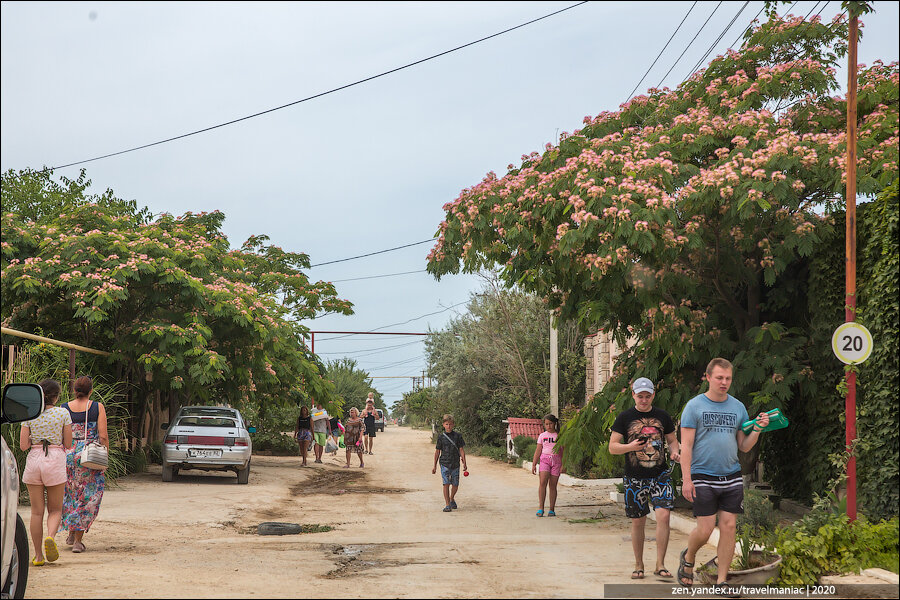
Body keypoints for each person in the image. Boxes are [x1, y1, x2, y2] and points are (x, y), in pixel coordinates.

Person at [678, 358, 770, 589]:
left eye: (728, 378)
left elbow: (744, 446)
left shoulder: (738, 407)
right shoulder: (694, 406)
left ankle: (722, 581)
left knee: (729, 528)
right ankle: (689, 557)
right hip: (702, 476)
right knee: (706, 529)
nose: (724, 382)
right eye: (719, 377)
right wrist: (686, 479)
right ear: (708, 378)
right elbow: (686, 446)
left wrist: (757, 429)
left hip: (731, 476)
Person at [609, 377, 680, 580]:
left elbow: (673, 441)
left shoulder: (663, 417)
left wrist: (675, 451)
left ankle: (660, 564)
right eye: (640, 396)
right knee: (638, 521)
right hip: (634, 478)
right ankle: (639, 564)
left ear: (653, 395)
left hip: (661, 475)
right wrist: (631, 447)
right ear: (633, 395)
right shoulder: (624, 417)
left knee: (664, 516)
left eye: (647, 396)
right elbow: (612, 447)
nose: (644, 400)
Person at [19, 379, 73, 565]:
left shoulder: (29, 413)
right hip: (55, 459)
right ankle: (50, 536)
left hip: (34, 459)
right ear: (56, 396)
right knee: (55, 509)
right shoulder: (63, 413)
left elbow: (23, 445)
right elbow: (68, 444)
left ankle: (38, 556)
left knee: (36, 512)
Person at [61, 375, 108, 554]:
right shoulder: (97, 407)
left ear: (74, 390)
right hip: (88, 456)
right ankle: (78, 541)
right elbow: (103, 435)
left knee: (71, 492)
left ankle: (72, 531)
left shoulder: (64, 408)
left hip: (68, 454)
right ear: (91, 391)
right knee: (87, 496)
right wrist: (105, 456)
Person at [531, 413, 565, 517]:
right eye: (546, 424)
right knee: (542, 482)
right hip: (545, 460)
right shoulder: (542, 436)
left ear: (554, 424)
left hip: (556, 461)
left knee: (553, 485)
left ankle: (551, 509)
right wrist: (534, 464)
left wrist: (564, 464)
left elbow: (564, 451)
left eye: (550, 423)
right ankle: (541, 508)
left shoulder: (560, 436)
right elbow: (538, 450)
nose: (548, 426)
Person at [432, 414, 467, 512]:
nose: (449, 426)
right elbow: (437, 452)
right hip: (444, 464)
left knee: (455, 485)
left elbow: (461, 449)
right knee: (446, 483)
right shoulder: (441, 437)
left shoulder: (458, 436)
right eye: (447, 424)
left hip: (455, 463)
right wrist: (434, 466)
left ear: (453, 425)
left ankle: (452, 498)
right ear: (443, 425)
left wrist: (464, 462)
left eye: (450, 424)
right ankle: (447, 504)